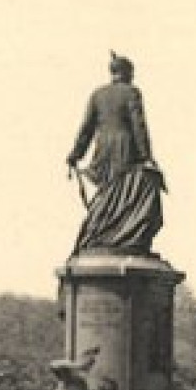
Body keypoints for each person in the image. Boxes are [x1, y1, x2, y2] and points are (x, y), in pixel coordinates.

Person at [67, 52, 166, 255]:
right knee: (133, 190)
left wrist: (75, 155)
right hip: (124, 146)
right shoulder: (132, 92)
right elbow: (139, 125)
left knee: (109, 192)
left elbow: (86, 129)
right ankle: (124, 236)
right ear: (127, 73)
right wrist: (147, 156)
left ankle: (103, 233)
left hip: (103, 149)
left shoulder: (97, 94)